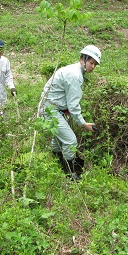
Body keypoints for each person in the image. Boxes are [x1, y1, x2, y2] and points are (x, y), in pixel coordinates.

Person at [39, 45, 101, 179]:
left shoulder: (73, 70)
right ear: (83, 59)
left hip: (51, 107)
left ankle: (55, 161)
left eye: (95, 64)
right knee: (71, 141)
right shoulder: (75, 75)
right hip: (50, 109)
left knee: (58, 139)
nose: (93, 67)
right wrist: (83, 123)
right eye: (91, 62)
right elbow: (73, 105)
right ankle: (70, 173)